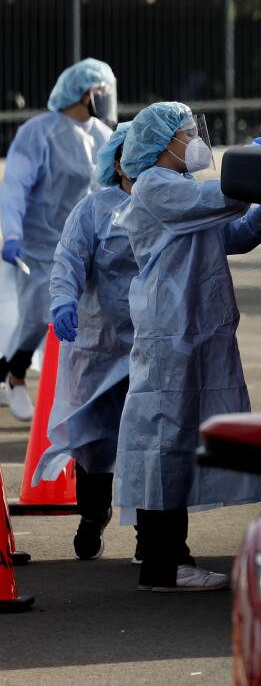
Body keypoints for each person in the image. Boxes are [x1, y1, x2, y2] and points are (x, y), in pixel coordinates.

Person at [115, 102, 261, 591]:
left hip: (193, 334)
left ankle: (170, 557)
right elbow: (226, 199)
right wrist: (256, 168)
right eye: (188, 132)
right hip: (171, 333)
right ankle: (162, 564)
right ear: (163, 142)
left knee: (179, 443)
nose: (195, 139)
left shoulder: (185, 193)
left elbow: (236, 234)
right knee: (164, 447)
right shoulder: (155, 187)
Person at [32, 123, 139, 562]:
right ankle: (92, 515)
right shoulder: (95, 210)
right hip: (99, 345)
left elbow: (230, 237)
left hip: (153, 346)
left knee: (146, 439)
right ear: (118, 161)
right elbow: (68, 261)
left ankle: (150, 535)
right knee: (94, 440)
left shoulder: (173, 205)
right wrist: (62, 302)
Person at [0, 58, 116, 421]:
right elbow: (16, 185)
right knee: (37, 317)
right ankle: (15, 378)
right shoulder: (39, 133)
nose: (106, 97)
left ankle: (72, 394)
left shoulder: (103, 136)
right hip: (38, 247)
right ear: (85, 92)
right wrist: (12, 233)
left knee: (87, 324)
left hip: (85, 247)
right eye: (101, 90)